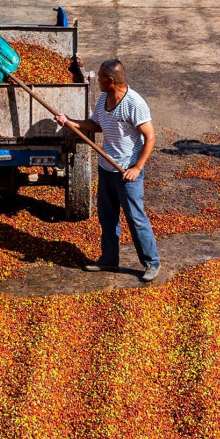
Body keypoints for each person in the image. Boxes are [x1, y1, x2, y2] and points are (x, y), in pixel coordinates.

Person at [56, 59, 160, 283]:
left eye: (101, 79)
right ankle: (109, 259)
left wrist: (136, 168)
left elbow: (150, 137)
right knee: (108, 217)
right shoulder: (104, 98)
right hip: (106, 168)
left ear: (110, 81)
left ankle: (152, 262)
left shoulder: (134, 103)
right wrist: (69, 122)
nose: (99, 83)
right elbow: (96, 125)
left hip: (126, 173)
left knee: (136, 218)